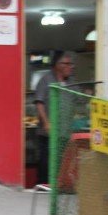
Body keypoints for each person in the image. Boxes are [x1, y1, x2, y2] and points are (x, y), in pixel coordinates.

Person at [32, 51, 73, 184]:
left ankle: (59, 185)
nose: (69, 66)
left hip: (64, 132)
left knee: (63, 160)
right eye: (66, 63)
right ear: (56, 65)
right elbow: (39, 102)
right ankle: (44, 185)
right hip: (48, 132)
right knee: (46, 160)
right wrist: (46, 123)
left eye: (70, 64)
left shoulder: (70, 82)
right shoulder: (46, 80)